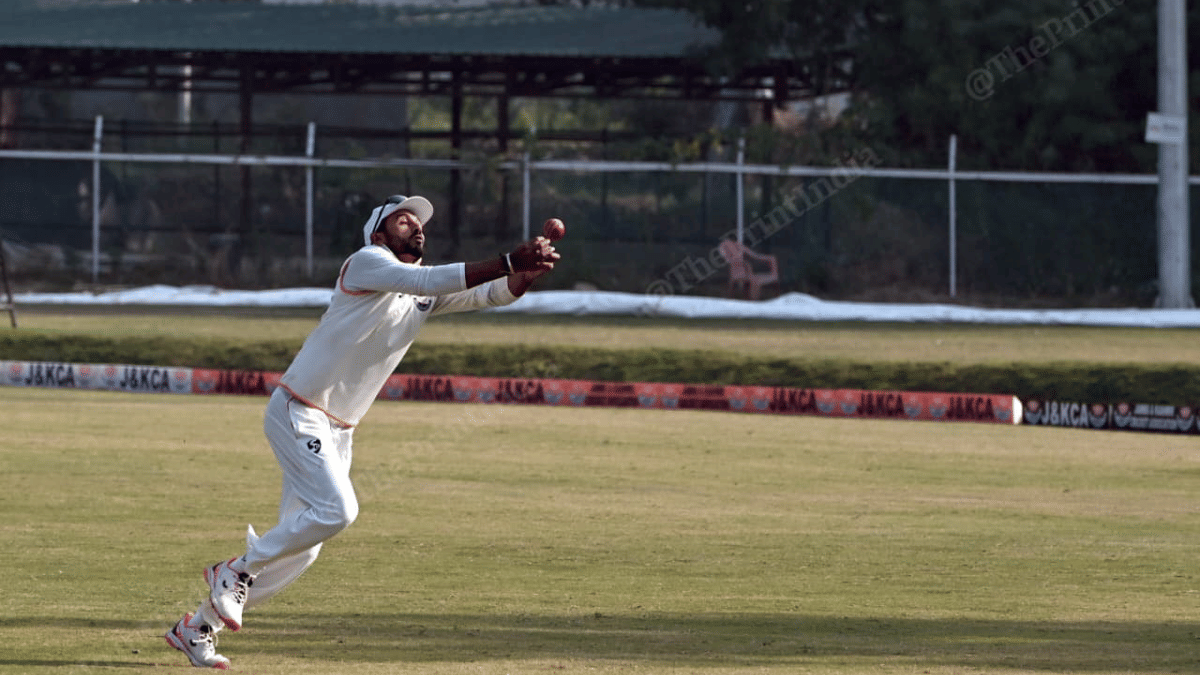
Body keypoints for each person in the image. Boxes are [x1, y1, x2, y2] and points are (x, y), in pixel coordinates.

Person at [165, 194, 560, 669]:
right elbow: (428, 277)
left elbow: (486, 294)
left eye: (418, 221)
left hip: (338, 430)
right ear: (378, 233)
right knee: (339, 511)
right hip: (299, 410)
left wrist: (521, 277)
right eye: (402, 219)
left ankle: (198, 628)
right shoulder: (368, 262)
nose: (415, 224)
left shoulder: (417, 293)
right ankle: (233, 570)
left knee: (303, 551)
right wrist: (506, 260)